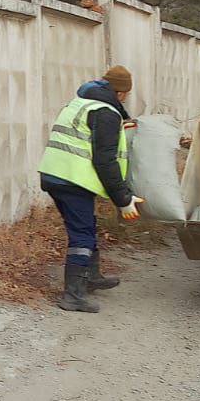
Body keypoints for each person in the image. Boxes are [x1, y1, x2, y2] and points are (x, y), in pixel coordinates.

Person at [37, 65, 144, 313]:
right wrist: (123, 199)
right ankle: (72, 295)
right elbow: (105, 161)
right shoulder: (105, 113)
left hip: (55, 175)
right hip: (72, 180)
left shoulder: (81, 102)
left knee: (86, 225)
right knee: (81, 235)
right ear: (122, 93)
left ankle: (91, 276)